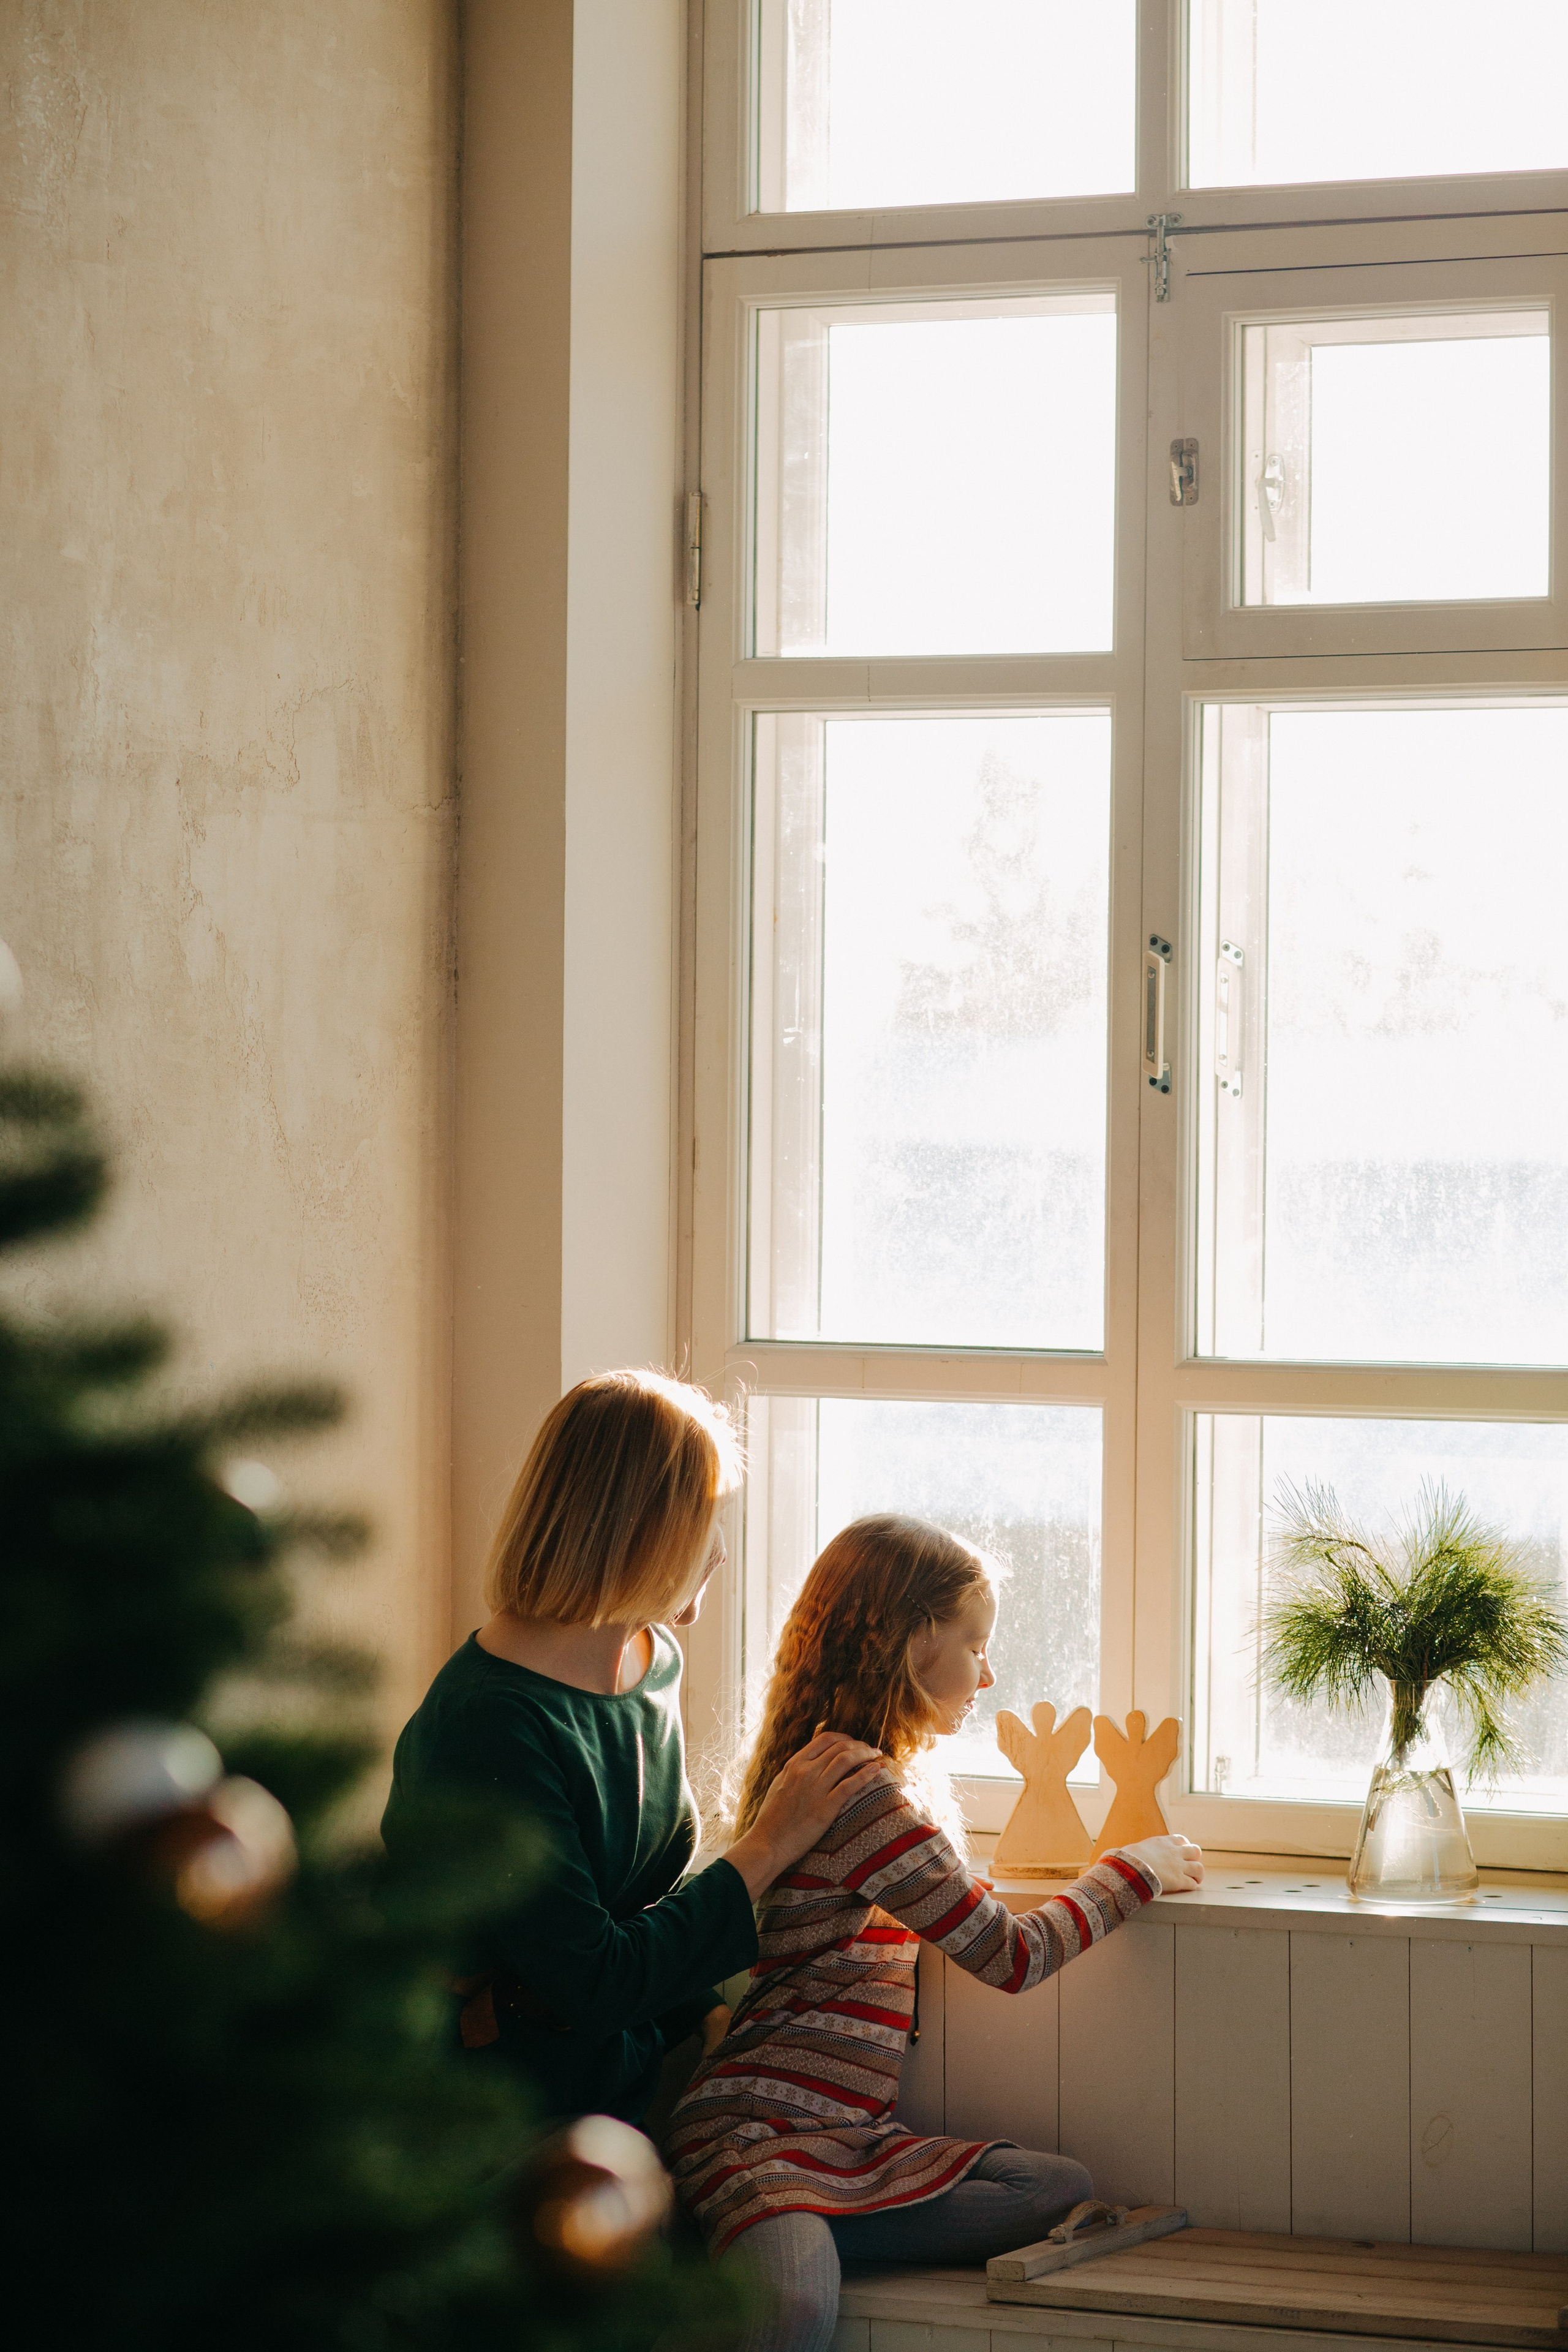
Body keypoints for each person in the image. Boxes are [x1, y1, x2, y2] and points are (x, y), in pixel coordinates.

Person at [663, 1514, 1204, 2352]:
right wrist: (1136, 1869)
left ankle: (771, 2236)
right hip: (757, 2133)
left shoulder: (870, 1777)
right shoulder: (859, 1789)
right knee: (799, 2314)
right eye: (974, 1643)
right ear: (913, 1642)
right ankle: (766, 2230)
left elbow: (959, 1911)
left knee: (1053, 2187)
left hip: (850, 2142)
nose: (988, 1673)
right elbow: (1011, 1955)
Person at [380, 1370, 883, 2125]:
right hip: (495, 2118)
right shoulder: (491, 1724)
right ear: (639, 1529)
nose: (717, 1551)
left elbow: (638, 1900)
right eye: (706, 1517)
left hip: (622, 2085)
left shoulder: (651, 1660)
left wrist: (709, 2019)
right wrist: (771, 1843)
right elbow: (593, 1978)